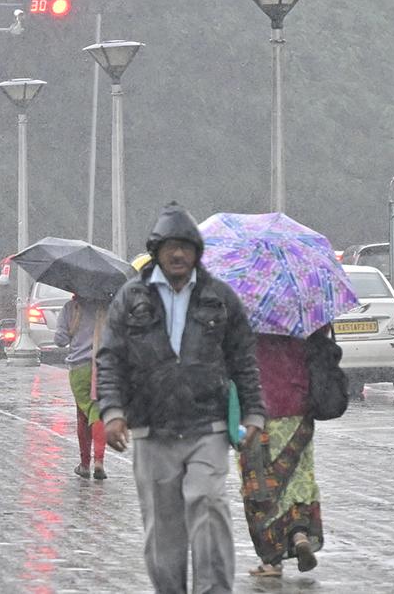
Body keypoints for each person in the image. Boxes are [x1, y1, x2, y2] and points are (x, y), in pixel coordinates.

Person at [96, 202, 266, 594]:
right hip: (151, 429)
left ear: (196, 253)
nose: (177, 254)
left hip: (207, 426)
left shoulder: (219, 298)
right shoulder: (130, 299)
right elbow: (111, 359)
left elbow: (243, 357)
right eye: (170, 246)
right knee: (163, 530)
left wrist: (254, 413)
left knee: (208, 505)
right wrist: (112, 412)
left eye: (185, 247)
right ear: (156, 251)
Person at [240, 329, 326, 577]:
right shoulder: (304, 314)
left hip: (259, 410)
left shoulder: (248, 313)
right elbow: (321, 340)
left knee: (260, 486)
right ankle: (300, 535)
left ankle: (271, 560)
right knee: (298, 477)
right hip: (299, 406)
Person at [54, 294, 109, 480]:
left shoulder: (71, 308)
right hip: (104, 366)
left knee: (83, 415)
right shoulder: (109, 308)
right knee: (99, 411)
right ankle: (99, 461)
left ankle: (85, 464)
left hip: (79, 369)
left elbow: (59, 340)